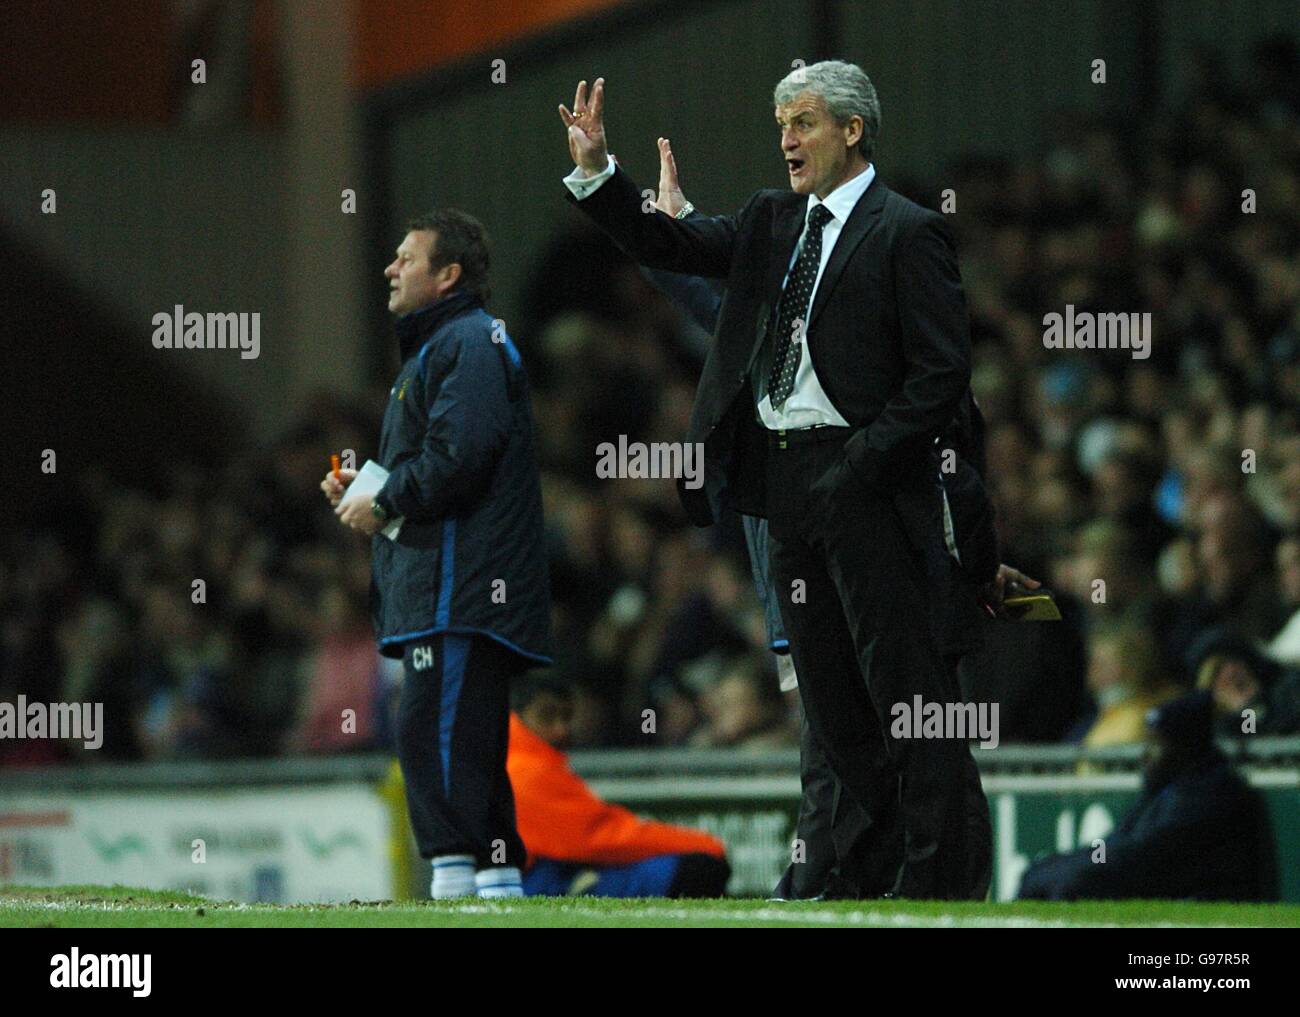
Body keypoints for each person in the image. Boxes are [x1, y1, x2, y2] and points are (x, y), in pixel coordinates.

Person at [559, 62, 974, 897]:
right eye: (781, 121)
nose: (786, 138)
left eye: (805, 121)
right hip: (781, 489)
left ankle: (941, 884)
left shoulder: (907, 231)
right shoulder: (771, 220)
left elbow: (940, 377)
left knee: (906, 699)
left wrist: (860, 463)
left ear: (853, 130)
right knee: (831, 707)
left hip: (866, 485)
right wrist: (602, 172)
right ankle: (862, 876)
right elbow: (668, 242)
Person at [635, 136, 1025, 899]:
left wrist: (975, 562)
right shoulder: (782, 333)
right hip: (801, 557)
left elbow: (957, 473)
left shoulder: (906, 380)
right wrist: (671, 229)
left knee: (913, 728)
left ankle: (911, 878)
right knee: (846, 729)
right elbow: (718, 303)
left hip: (890, 558)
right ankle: (842, 869)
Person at [321, 210, 553, 899]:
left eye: (405, 258)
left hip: (461, 585)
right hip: (448, 584)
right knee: (463, 737)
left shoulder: (469, 343)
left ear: (448, 275)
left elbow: (461, 456)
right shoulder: (442, 351)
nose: (389, 269)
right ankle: (496, 880)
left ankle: (452, 883)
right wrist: (370, 486)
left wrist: (387, 498)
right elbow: (450, 455)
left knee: (435, 731)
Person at [1018, 691, 1275, 901]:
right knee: (1045, 875)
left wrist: (1074, 873)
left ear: (1185, 745)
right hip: (1165, 888)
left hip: (1204, 902)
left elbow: (1144, 856)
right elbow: (1118, 842)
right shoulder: (1165, 789)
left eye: (1157, 744)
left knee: (1072, 883)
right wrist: (1055, 865)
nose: (1146, 754)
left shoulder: (1214, 793)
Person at [509, 675, 730, 897]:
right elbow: (597, 838)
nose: (561, 729)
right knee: (697, 867)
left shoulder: (513, 761)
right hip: (536, 884)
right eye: (546, 716)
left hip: (543, 876)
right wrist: (701, 843)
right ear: (515, 716)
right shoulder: (525, 771)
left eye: (566, 717)